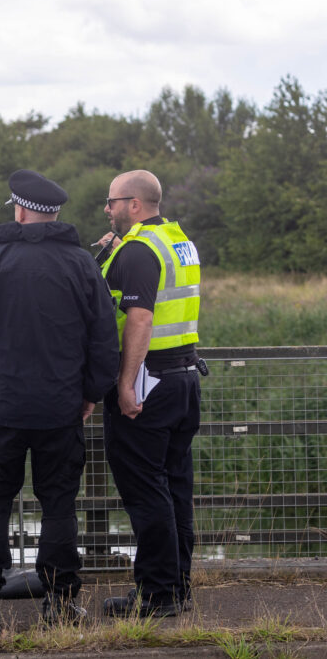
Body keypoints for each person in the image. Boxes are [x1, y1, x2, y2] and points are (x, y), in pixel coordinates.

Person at [0, 169, 120, 631]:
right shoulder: (83, 265)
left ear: (21, 211)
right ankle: (60, 605)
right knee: (59, 504)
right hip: (62, 408)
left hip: (1, 406)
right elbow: (104, 339)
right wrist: (90, 394)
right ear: (55, 214)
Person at [97, 170, 202, 618]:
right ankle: (176, 589)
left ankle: (158, 597)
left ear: (134, 204)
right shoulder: (179, 242)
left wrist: (125, 383)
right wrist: (105, 255)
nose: (108, 208)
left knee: (146, 491)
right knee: (174, 486)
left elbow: (139, 319)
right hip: (183, 379)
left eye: (113, 201)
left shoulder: (140, 250)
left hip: (148, 384)